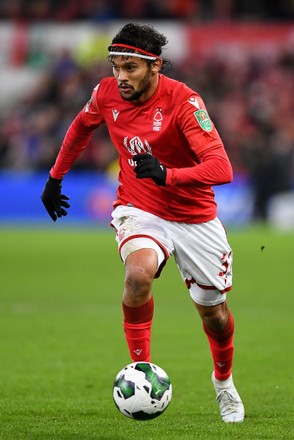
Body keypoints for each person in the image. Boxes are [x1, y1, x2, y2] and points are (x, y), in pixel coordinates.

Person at [41, 23, 245, 423]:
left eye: (130, 68)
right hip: (141, 208)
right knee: (138, 276)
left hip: (194, 217)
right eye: (116, 66)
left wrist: (168, 174)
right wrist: (55, 176)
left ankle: (224, 383)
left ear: (155, 67)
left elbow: (222, 168)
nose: (121, 77)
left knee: (215, 316)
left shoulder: (184, 102)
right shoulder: (105, 94)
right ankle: (142, 373)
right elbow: (81, 126)